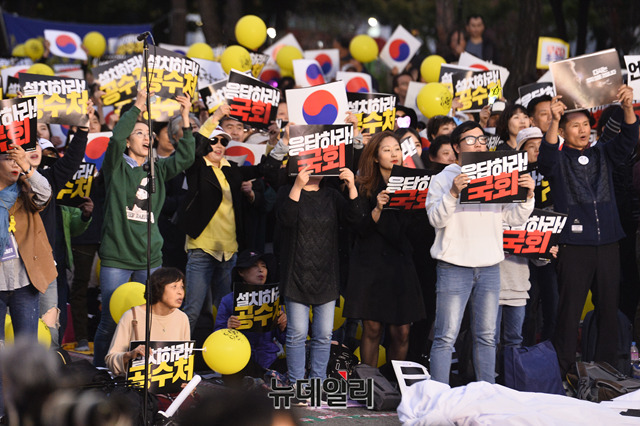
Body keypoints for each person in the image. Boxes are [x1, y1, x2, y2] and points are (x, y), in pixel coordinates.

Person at [538, 86, 639, 376]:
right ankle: (564, 371)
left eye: (585, 124)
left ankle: (608, 372)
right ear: (563, 131)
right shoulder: (558, 160)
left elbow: (628, 139)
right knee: (569, 311)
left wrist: (628, 107)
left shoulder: (603, 154)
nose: (582, 130)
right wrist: (553, 121)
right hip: (573, 246)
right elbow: (545, 159)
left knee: (608, 310)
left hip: (608, 243)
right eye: (575, 125)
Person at [425, 121, 535, 384]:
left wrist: (527, 196)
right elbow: (436, 219)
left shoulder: (497, 173)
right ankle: (439, 396)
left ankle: (487, 394)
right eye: (471, 140)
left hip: (489, 266)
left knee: (487, 336)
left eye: (482, 140)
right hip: (454, 265)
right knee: (445, 336)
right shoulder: (443, 179)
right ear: (456, 147)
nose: (478, 144)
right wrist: (453, 193)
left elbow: (513, 218)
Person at [93, 89, 195, 367]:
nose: (147, 137)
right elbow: (115, 138)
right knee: (110, 318)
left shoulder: (158, 169)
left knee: (145, 319)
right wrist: (138, 106)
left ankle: (140, 369)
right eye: (139, 133)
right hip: (116, 257)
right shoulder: (116, 166)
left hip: (150, 259)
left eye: (148, 133)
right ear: (128, 142)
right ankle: (102, 368)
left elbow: (186, 157)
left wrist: (185, 116)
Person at [179, 128, 283, 332]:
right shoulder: (196, 166)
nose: (219, 145)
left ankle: (224, 350)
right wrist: (217, 115)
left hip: (229, 250)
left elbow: (264, 169)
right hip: (201, 248)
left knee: (226, 310)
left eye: (223, 142)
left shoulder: (232, 169)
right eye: (213, 141)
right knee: (192, 309)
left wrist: (280, 143)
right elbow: (194, 146)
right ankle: (179, 351)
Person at [276, 162, 362, 395]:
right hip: (296, 273)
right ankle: (296, 383)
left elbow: (356, 219)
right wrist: (297, 186)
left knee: (324, 335)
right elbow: (286, 220)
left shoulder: (332, 196)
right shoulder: (287, 191)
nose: (316, 169)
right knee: (297, 333)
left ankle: (319, 383)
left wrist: (352, 186)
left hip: (326, 275)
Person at [344, 131, 426, 368]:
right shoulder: (363, 185)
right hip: (371, 265)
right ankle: (370, 382)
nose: (393, 154)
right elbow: (358, 227)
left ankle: (394, 381)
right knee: (372, 328)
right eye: (386, 150)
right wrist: (378, 209)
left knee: (402, 331)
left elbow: (419, 227)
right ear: (375, 156)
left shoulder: (414, 182)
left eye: (397, 149)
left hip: (401, 264)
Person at [0, 143, 55, 417]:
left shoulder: (25, 189)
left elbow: (45, 193)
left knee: (27, 354)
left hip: (24, 282)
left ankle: (26, 412)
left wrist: (28, 167)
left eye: (17, 160)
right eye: (8, 159)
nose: (15, 164)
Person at [214, 250, 287, 382]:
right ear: (241, 272)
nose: (261, 270)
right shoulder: (228, 300)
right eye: (254, 266)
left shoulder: (273, 298)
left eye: (264, 266)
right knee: (232, 371)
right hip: (240, 360)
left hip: (269, 361)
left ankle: (262, 380)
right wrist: (227, 328)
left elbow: (285, 340)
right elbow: (216, 339)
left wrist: (283, 326)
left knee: (296, 364)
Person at [105, 267, 189, 377]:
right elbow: (111, 360)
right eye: (174, 286)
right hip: (138, 383)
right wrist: (130, 355)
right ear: (159, 288)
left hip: (170, 383)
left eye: (182, 287)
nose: (180, 292)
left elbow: (185, 360)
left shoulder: (182, 318)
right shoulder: (132, 316)